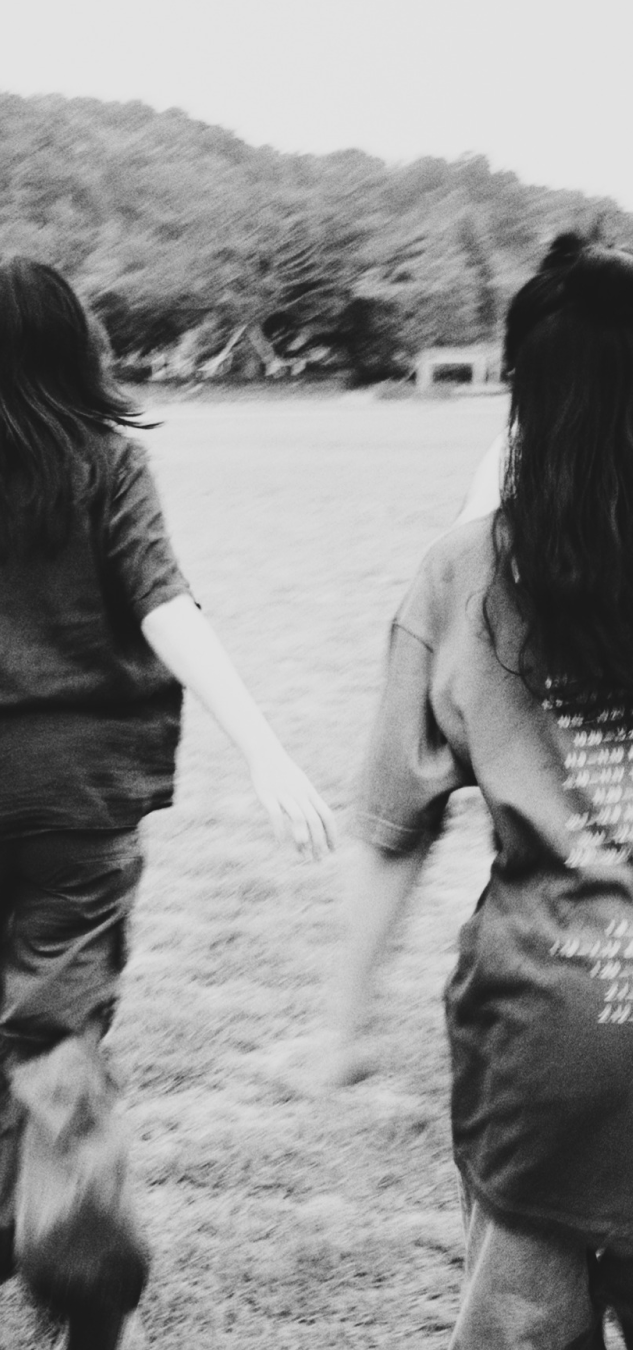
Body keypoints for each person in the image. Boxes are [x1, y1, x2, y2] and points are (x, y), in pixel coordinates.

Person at [0, 256, 335, 1349]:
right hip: (84, 799)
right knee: (56, 1023)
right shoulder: (108, 464)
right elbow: (165, 605)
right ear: (77, 350)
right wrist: (263, 747)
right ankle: (77, 1243)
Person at [337, 233, 633, 1349]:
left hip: (549, 1030)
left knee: (521, 1322)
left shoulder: (463, 571)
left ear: (523, 392)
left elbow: (391, 827)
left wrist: (344, 1015)